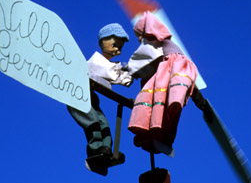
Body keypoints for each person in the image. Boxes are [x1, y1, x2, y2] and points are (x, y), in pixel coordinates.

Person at [127, 11, 198, 154]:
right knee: (169, 109)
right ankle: (165, 137)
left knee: (151, 99)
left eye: (139, 35)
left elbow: (141, 61)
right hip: (180, 71)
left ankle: (150, 130)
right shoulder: (168, 43)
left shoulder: (152, 42)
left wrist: (128, 72)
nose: (139, 39)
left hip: (167, 71)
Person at [67, 23, 132, 158]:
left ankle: (107, 149)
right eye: (115, 46)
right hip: (77, 95)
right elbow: (113, 75)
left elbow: (119, 77)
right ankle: (95, 148)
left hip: (90, 97)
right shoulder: (95, 62)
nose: (118, 51)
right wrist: (128, 71)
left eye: (120, 48)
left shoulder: (110, 65)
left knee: (104, 123)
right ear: (103, 42)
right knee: (92, 120)